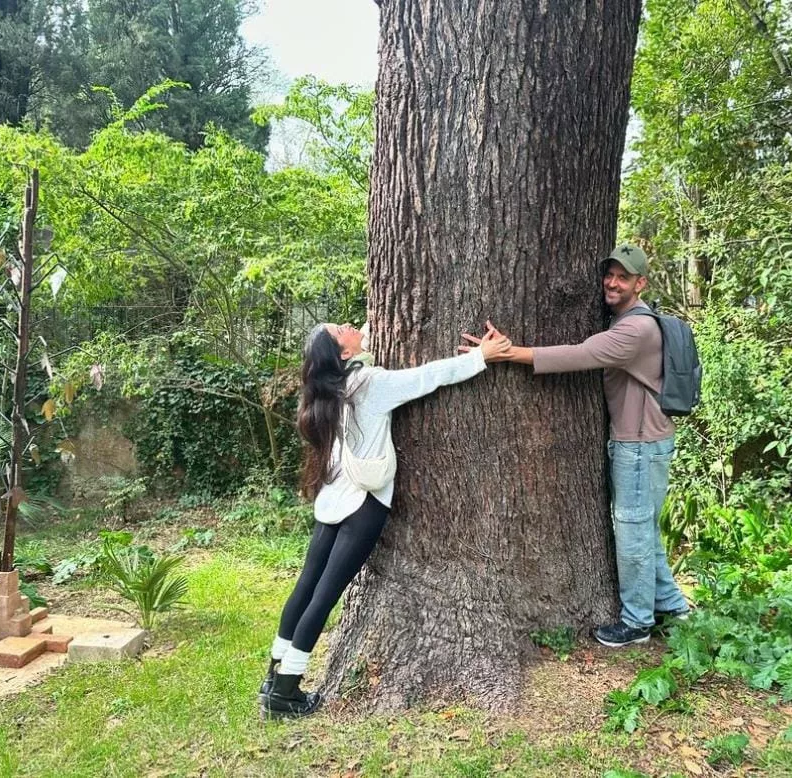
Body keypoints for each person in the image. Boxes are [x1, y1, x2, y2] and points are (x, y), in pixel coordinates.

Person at [260, 321, 511, 718]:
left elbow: (359, 339)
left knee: (306, 587)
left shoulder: (329, 388)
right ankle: (286, 692)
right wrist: (482, 356)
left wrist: (366, 324)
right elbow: (430, 377)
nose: (348, 325)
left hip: (334, 495)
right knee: (323, 595)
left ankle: (273, 679)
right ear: (343, 353)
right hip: (363, 503)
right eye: (340, 330)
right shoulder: (371, 384)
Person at [461, 244, 689, 648]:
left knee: (634, 531)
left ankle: (637, 622)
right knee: (645, 528)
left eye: (623, 277)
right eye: (610, 274)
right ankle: (671, 606)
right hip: (649, 441)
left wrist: (508, 353)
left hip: (638, 445)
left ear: (641, 283)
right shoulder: (637, 321)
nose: (613, 282)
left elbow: (580, 354)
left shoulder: (635, 330)